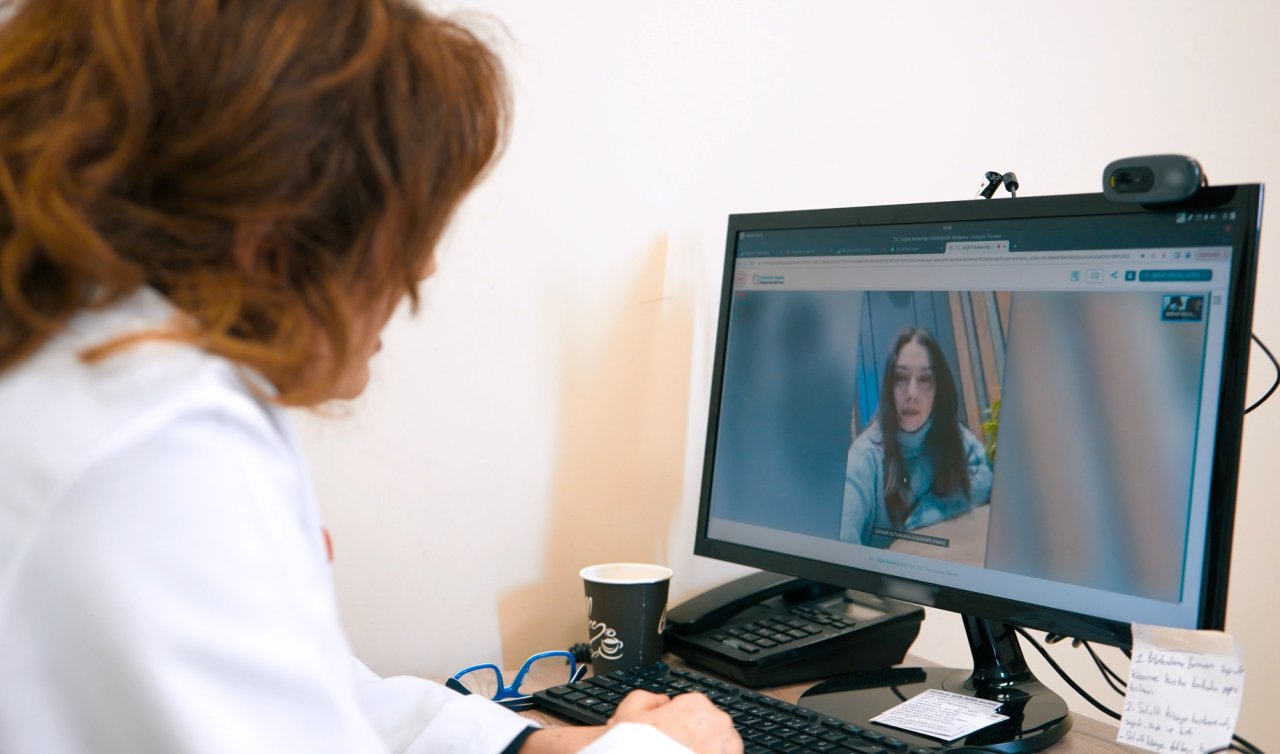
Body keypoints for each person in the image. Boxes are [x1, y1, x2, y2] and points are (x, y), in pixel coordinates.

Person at [0, 1, 742, 752]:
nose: (422, 267)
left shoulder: (98, 382)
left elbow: (312, 694)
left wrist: (540, 744)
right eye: (406, 225)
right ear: (276, 224)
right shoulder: (155, 445)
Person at [839, 327, 993, 548]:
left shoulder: (951, 435)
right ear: (889, 388)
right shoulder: (865, 457)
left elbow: (985, 475)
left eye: (925, 379)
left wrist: (933, 510)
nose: (912, 393)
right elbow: (841, 532)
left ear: (938, 390)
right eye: (901, 377)